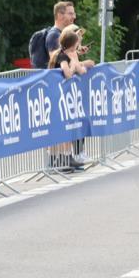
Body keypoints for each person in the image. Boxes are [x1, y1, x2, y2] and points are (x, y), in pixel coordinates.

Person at [48, 30, 88, 172]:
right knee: (61, 128)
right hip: (59, 96)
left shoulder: (67, 54)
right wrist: (73, 62)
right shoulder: (62, 56)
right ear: (72, 43)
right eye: (77, 43)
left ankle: (65, 158)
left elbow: (82, 71)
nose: (78, 45)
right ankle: (60, 160)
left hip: (64, 97)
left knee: (66, 128)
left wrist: (76, 59)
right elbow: (68, 74)